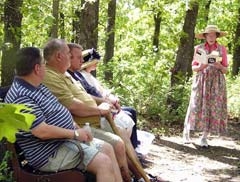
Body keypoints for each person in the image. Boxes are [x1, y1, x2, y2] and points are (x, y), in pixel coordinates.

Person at [5, 47, 122, 182]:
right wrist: (75, 134)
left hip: (61, 143)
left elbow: (58, 109)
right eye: (44, 64)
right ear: (37, 68)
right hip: (48, 154)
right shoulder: (21, 95)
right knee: (103, 162)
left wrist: (76, 127)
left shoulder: (37, 86)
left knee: (107, 148)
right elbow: (41, 131)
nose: (45, 68)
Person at [42, 39, 135, 182]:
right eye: (69, 54)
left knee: (120, 138)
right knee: (115, 144)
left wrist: (104, 102)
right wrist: (99, 111)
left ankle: (136, 177)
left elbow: (84, 96)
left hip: (87, 123)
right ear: (59, 56)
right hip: (79, 127)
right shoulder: (49, 76)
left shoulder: (64, 74)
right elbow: (72, 106)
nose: (73, 58)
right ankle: (129, 178)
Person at [67, 45, 139, 149]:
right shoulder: (69, 76)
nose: (82, 60)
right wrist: (101, 109)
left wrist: (108, 101)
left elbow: (96, 91)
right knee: (117, 140)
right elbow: (75, 103)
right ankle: (130, 157)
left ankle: (133, 152)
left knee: (128, 118)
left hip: (100, 110)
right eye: (79, 58)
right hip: (91, 117)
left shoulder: (77, 75)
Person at [183, 25, 228, 147]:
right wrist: (202, 66)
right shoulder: (199, 48)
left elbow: (226, 70)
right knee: (194, 104)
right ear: (205, 36)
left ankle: (204, 137)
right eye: (209, 35)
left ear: (217, 36)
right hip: (201, 80)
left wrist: (219, 66)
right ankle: (186, 132)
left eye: (214, 34)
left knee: (212, 107)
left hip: (216, 82)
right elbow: (194, 67)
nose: (211, 37)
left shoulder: (222, 49)